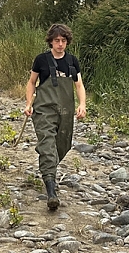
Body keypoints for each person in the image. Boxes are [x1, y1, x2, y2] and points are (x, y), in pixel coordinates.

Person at [24, 23, 86, 210]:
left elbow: (79, 85)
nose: (60, 44)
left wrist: (82, 104)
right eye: (57, 40)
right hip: (44, 109)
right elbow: (31, 82)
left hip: (66, 112)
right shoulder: (41, 60)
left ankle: (46, 159)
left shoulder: (72, 61)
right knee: (48, 144)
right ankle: (51, 191)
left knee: (63, 145)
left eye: (63, 41)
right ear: (50, 41)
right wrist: (28, 103)